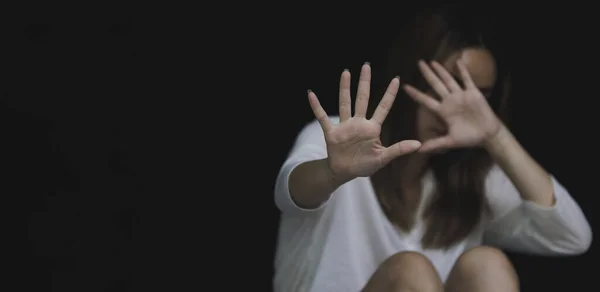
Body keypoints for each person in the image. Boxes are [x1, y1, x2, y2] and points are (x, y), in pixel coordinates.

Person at [273, 7, 592, 292]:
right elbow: (292, 192)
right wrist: (331, 172)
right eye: (447, 84)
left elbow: (572, 237)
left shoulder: (472, 180)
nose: (457, 106)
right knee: (410, 271)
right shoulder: (338, 137)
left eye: (479, 96)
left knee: (487, 266)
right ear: (413, 74)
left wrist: (495, 135)